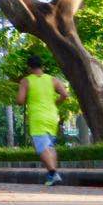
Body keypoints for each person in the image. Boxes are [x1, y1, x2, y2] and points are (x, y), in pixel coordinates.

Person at [16, 55, 68, 186]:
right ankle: (52, 177)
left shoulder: (26, 81)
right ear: (42, 66)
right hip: (52, 116)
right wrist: (55, 103)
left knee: (41, 148)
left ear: (29, 68)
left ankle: (53, 172)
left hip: (37, 117)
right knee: (50, 146)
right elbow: (65, 95)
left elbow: (20, 101)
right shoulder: (53, 80)